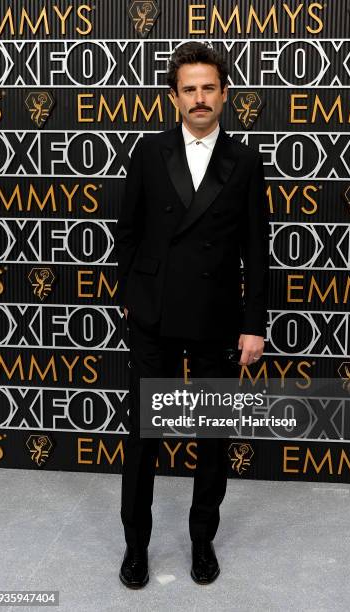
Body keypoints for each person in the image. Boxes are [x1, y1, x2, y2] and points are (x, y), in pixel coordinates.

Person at [115, 41, 269, 589]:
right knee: (143, 439)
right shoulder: (148, 152)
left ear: (224, 95)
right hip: (153, 317)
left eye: (208, 87)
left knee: (212, 439)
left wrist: (254, 324)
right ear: (174, 96)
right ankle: (136, 547)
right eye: (189, 89)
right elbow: (127, 233)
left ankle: (202, 542)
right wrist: (131, 296)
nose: (199, 98)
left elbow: (257, 247)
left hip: (217, 316)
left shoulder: (246, 161)